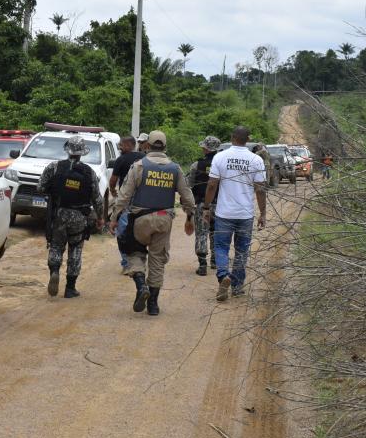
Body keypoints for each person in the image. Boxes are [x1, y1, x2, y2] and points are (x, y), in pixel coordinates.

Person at [110, 130, 196, 316]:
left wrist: (115, 218)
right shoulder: (175, 168)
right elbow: (187, 197)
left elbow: (124, 196)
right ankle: (154, 305)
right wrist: (190, 215)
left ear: (147, 146)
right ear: (165, 147)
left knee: (134, 253)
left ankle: (141, 287)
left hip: (140, 219)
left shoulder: (139, 166)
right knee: (158, 260)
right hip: (164, 219)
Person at [203, 126, 267, 302]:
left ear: (232, 137)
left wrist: (207, 208)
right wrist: (263, 213)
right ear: (248, 139)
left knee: (221, 247)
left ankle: (224, 275)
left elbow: (211, 185)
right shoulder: (256, 160)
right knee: (241, 250)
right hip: (245, 214)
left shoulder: (220, 157)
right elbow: (260, 189)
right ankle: (237, 287)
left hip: (224, 213)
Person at [37, 135, 104, 298]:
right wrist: (100, 217)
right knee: (75, 249)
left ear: (67, 150)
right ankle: (70, 288)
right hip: (79, 216)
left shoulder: (54, 167)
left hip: (58, 214)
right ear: (82, 153)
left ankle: (54, 271)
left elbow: (40, 188)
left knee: (56, 246)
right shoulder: (89, 172)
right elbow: (97, 198)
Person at [109, 135, 144, 270]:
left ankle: (126, 263)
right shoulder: (144, 158)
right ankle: (139, 262)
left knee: (122, 232)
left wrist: (112, 190)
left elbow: (113, 180)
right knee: (140, 233)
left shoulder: (121, 160)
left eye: (121, 145)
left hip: (126, 201)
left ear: (129, 145)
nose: (119, 147)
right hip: (143, 201)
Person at [189, 135, 221, 276]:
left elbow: (190, 184)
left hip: (203, 204)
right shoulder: (222, 163)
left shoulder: (197, 165)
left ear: (205, 148)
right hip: (220, 205)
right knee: (216, 233)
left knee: (202, 233)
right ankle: (215, 261)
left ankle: (202, 265)